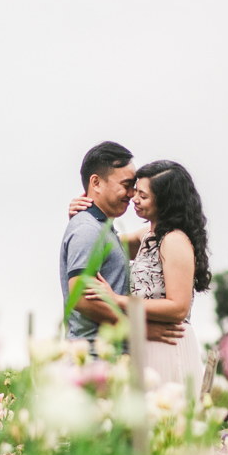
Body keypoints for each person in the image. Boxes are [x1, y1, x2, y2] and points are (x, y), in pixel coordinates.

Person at [75, 159, 210, 395]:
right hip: (145, 343)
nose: (133, 199)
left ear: (165, 202)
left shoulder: (174, 240)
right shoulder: (148, 235)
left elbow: (178, 307)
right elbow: (106, 246)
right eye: (135, 191)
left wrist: (116, 300)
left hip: (168, 346)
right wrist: (84, 214)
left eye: (143, 195)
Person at [60, 141, 185, 349]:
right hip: (92, 358)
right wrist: (140, 329)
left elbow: (162, 229)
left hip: (109, 357)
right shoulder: (87, 229)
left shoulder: (104, 231)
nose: (131, 195)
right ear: (96, 183)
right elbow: (81, 298)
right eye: (126, 186)